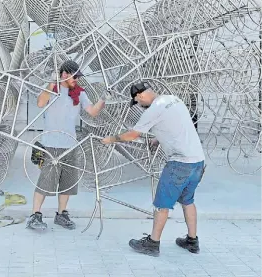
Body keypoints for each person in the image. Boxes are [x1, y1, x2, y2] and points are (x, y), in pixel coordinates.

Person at [102, 81, 205, 257]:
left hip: (180, 163)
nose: (139, 106)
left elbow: (133, 135)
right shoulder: (173, 99)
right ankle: (192, 241)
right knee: (187, 201)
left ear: (140, 96)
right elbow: (177, 125)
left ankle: (153, 243)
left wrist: (110, 139)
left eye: (137, 102)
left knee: (162, 205)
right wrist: (159, 138)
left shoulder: (153, 110)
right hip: (198, 162)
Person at [27, 60, 106, 230]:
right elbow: (41, 103)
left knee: (67, 182)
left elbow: (92, 111)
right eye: (74, 76)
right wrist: (51, 82)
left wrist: (104, 98)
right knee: (46, 181)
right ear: (64, 74)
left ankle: (61, 215)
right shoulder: (52, 89)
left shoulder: (79, 92)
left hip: (70, 144)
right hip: (51, 144)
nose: (76, 80)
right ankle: (35, 215)